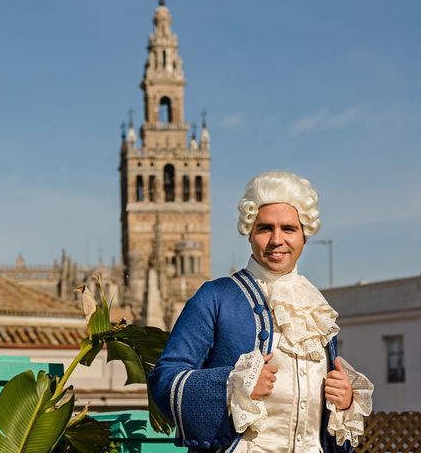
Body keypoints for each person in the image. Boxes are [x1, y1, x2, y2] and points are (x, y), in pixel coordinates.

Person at [148, 171, 373, 453]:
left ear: (304, 235)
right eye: (265, 228)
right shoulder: (215, 297)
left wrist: (344, 400)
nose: (277, 239)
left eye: (289, 229)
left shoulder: (315, 305)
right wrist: (232, 387)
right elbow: (165, 379)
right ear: (250, 234)